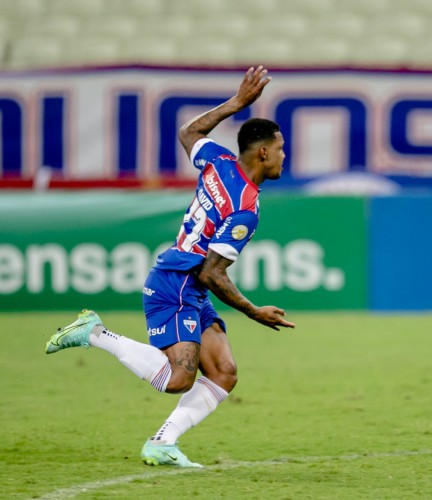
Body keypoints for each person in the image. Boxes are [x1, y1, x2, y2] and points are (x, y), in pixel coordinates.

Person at [45, 66, 296, 468]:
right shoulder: (245, 208)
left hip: (186, 283)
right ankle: (94, 333)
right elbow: (211, 273)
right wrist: (255, 312)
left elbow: (189, 133)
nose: (286, 156)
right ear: (263, 152)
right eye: (282, 148)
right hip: (178, 283)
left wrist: (236, 103)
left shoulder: (220, 162)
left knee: (224, 372)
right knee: (179, 379)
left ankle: (162, 443)